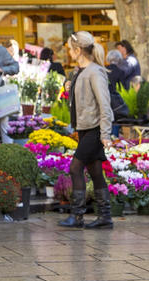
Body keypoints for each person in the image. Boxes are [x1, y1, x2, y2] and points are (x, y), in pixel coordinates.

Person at [58, 31, 114, 229]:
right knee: (95, 171)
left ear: (78, 50)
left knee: (75, 168)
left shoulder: (95, 72)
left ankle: (77, 216)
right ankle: (105, 217)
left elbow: (104, 104)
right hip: (84, 128)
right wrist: (69, 87)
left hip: (94, 129)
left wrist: (105, 134)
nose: (69, 53)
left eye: (70, 49)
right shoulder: (79, 72)